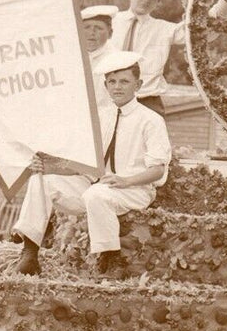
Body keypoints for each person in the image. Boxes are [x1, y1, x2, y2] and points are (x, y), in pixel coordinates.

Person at [12, 50, 171, 276]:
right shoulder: (100, 117)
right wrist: (47, 166)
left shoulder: (151, 120)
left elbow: (158, 170)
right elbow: (82, 162)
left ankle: (110, 259)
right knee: (43, 181)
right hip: (95, 186)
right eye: (112, 82)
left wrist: (126, 181)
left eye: (125, 81)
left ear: (138, 84)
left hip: (134, 189)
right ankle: (29, 253)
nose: (117, 87)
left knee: (96, 194)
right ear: (105, 86)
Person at [115, 0, 184, 116]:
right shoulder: (110, 23)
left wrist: (225, 1)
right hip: (111, 101)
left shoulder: (164, 29)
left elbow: (200, 32)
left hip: (148, 103)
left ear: (158, 0)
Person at [79, 4, 120, 111]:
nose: (92, 33)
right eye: (86, 27)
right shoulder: (72, 55)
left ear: (110, 33)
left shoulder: (117, 60)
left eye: (99, 28)